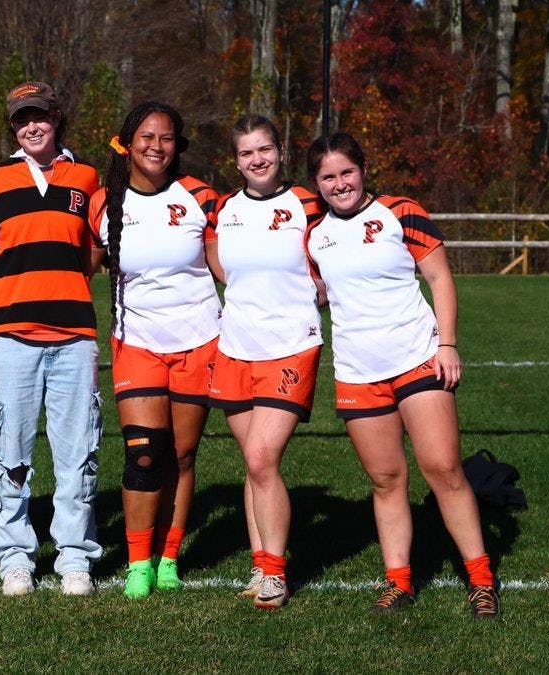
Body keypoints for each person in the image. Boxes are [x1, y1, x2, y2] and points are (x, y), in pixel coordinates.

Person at [304, 132, 499, 619]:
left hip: (417, 359)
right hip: (356, 372)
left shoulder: (401, 211)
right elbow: (317, 293)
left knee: (443, 469)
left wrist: (447, 344)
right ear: (317, 183)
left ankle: (480, 579)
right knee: (387, 479)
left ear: (363, 169)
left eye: (346, 172)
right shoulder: (314, 235)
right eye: (328, 177)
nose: (339, 183)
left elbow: (440, 279)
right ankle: (398, 581)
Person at [88, 102, 220, 599]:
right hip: (137, 343)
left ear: (177, 146)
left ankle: (169, 558)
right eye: (146, 136)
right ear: (128, 142)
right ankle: (138, 562)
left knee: (181, 456)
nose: (155, 146)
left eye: (166, 138)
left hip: (199, 340)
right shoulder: (105, 202)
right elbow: (80, 263)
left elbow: (227, 268)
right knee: (144, 455)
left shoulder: (201, 197)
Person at [0, 81, 102, 596]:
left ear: (56, 117)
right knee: (9, 451)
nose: (33, 126)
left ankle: (75, 556)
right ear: (13, 127)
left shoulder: (89, 177)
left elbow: (95, 249)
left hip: (74, 334)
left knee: (77, 453)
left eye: (40, 116)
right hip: (10, 334)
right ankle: (15, 558)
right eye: (22, 119)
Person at [208, 115, 325, 610]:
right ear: (235, 161)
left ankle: (275, 572)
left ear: (281, 150)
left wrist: (320, 287)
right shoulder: (223, 208)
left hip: (291, 344)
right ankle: (261, 566)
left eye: (264, 150)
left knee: (262, 458)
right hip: (236, 347)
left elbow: (333, 253)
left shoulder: (307, 203)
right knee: (252, 465)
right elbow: (213, 256)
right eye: (245, 153)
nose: (256, 160)